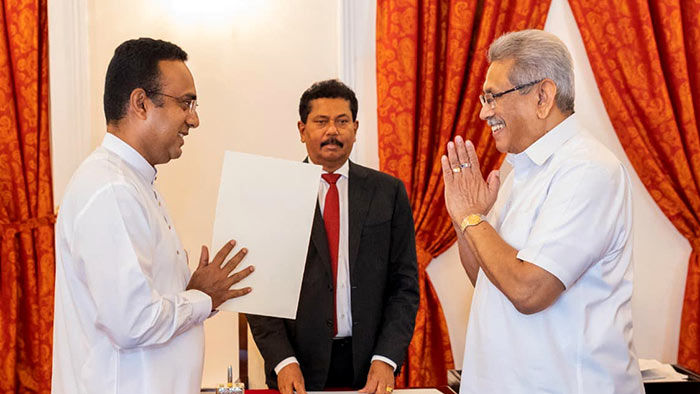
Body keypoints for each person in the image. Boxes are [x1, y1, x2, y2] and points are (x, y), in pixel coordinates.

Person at [441, 30, 644, 394]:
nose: (484, 112)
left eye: (493, 97)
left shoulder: (587, 169)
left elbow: (529, 291)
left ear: (542, 96)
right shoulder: (520, 171)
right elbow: (487, 280)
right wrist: (468, 222)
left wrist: (473, 218)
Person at [51, 38, 255, 394]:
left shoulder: (134, 183)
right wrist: (201, 298)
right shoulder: (110, 189)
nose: (194, 119)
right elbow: (131, 322)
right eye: (186, 103)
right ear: (141, 103)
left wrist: (197, 296)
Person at [247, 79, 419, 394]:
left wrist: (386, 357)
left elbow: (404, 287)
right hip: (297, 368)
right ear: (302, 130)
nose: (332, 131)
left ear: (355, 128)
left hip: (369, 366)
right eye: (321, 122)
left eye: (342, 122)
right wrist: (283, 361)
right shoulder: (275, 192)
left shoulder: (388, 192)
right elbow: (262, 294)